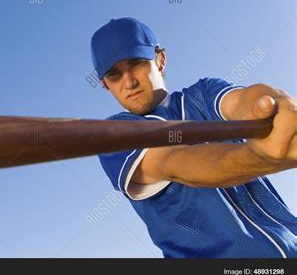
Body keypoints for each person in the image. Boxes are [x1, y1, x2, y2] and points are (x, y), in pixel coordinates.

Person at [91, 17, 297, 258]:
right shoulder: (113, 136)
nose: (129, 82)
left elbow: (246, 100)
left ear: (161, 59)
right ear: (105, 84)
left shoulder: (204, 94)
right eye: (114, 74)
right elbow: (179, 162)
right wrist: (263, 157)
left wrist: (279, 108)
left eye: (136, 62)